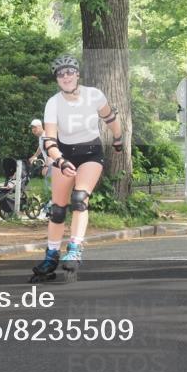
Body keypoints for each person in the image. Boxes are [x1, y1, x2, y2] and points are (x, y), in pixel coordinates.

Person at [31, 54, 123, 281]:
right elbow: (49, 140)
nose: (66, 77)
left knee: (80, 197)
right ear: (56, 79)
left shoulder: (94, 95)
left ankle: (74, 248)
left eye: (69, 72)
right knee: (58, 209)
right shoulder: (53, 103)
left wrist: (118, 138)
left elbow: (110, 117)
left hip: (91, 154)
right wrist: (60, 160)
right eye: (60, 74)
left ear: (77, 74)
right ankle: (51, 255)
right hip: (64, 155)